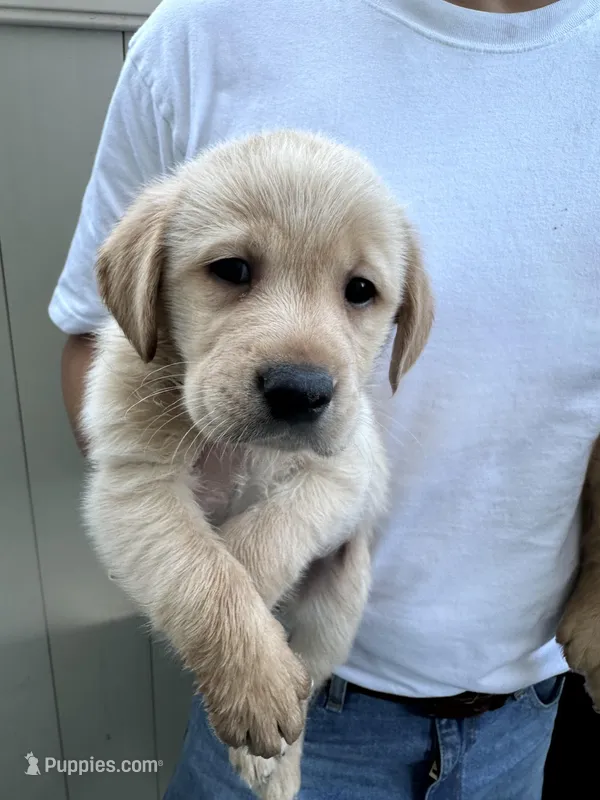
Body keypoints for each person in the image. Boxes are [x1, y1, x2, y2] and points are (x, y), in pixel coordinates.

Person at [49, 0, 600, 796]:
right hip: (291, 693)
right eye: (232, 271)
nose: (302, 361)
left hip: (525, 708)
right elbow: (96, 378)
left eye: (361, 292)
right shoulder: (209, 28)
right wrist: (220, 608)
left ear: (406, 323)